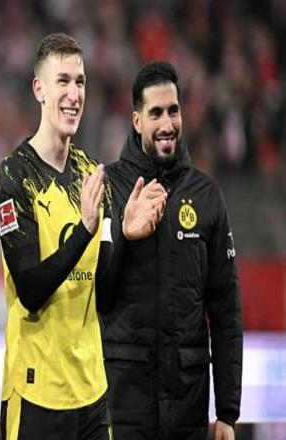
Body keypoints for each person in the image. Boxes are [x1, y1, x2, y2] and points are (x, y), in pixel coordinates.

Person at [0, 33, 166, 440]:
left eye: (80, 82)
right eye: (63, 81)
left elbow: (103, 295)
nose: (74, 94)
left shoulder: (92, 175)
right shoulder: (15, 177)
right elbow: (31, 290)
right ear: (39, 89)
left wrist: (126, 239)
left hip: (91, 393)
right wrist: (85, 230)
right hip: (36, 392)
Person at [101, 61, 243, 440]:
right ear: (136, 121)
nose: (167, 124)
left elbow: (226, 311)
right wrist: (125, 235)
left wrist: (227, 412)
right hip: (123, 406)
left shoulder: (207, 196)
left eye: (173, 111)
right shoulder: (109, 189)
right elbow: (96, 297)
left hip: (188, 410)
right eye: (156, 113)